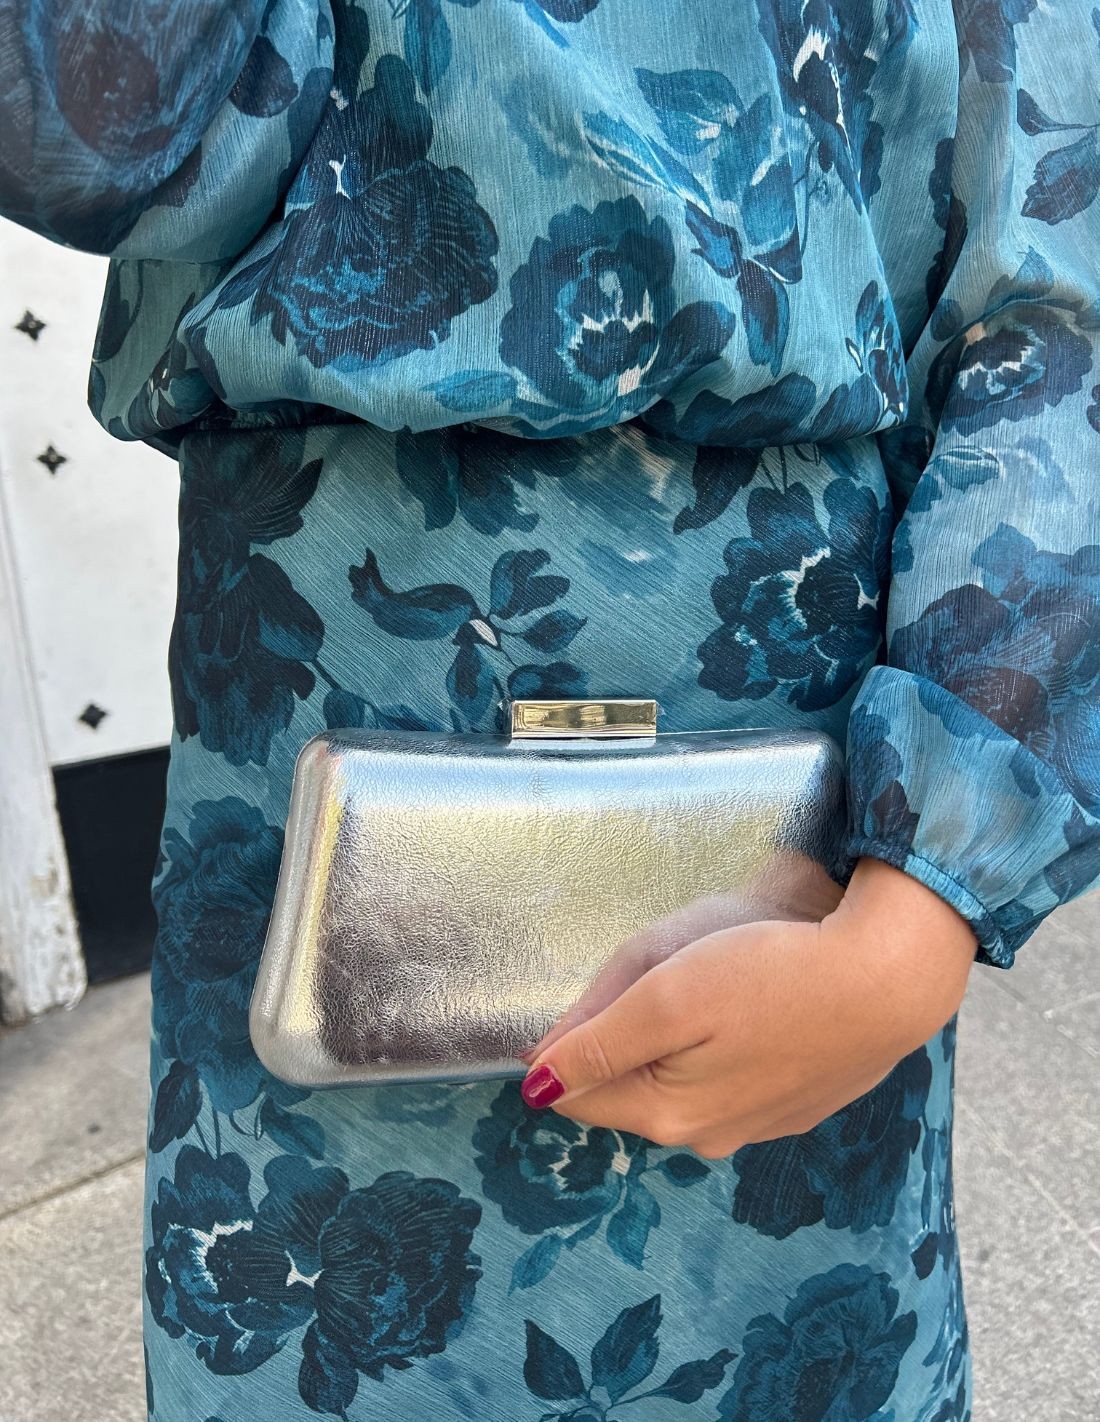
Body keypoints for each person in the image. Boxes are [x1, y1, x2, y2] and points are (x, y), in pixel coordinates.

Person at [3, 1, 1097, 1417]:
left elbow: (1054, 305)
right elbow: (96, 115)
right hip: (312, 696)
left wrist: (920, 916)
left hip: (795, 765)